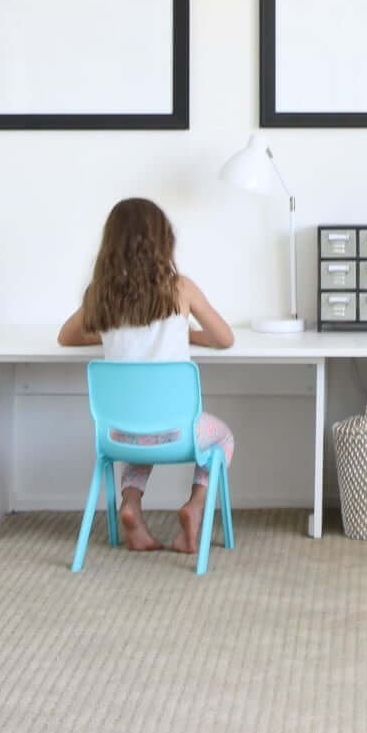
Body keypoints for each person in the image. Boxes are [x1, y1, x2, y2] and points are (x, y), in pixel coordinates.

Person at [58, 197, 235, 555]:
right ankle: (195, 508)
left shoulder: (100, 294)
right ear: (163, 241)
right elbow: (224, 338)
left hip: (119, 436)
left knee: (143, 432)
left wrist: (113, 332)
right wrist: (187, 333)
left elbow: (66, 336)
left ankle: (131, 504)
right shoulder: (181, 289)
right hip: (178, 434)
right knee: (223, 439)